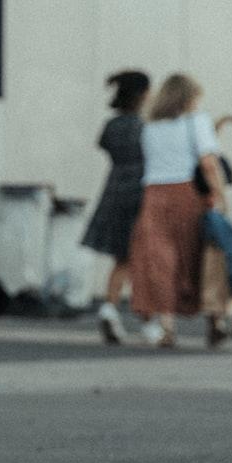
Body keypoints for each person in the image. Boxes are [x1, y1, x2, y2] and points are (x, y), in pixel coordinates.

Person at [125, 73, 232, 348]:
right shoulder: (196, 122)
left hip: (153, 195)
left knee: (161, 261)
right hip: (187, 194)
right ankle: (215, 321)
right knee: (203, 256)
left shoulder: (149, 127)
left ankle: (166, 325)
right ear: (188, 98)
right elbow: (208, 162)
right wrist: (219, 195)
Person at [80, 70, 150, 344]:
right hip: (140, 190)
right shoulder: (143, 127)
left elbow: (104, 145)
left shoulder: (112, 126)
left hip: (114, 189)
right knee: (141, 258)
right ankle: (148, 320)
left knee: (122, 257)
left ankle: (110, 307)